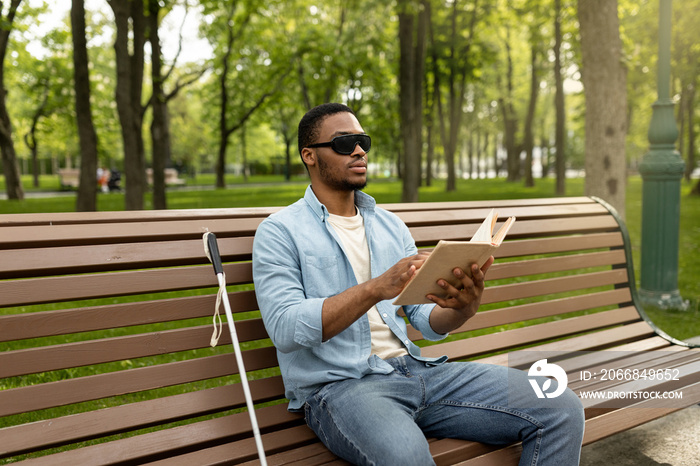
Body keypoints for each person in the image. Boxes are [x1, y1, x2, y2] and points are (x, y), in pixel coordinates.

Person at [252, 103, 584, 465]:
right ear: (309, 155)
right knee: (406, 456)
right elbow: (285, 328)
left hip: (421, 372)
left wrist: (461, 307)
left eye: (363, 141)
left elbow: (425, 317)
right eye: (346, 143)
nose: (360, 150)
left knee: (560, 406)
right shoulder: (280, 232)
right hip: (344, 388)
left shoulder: (390, 225)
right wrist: (375, 288)